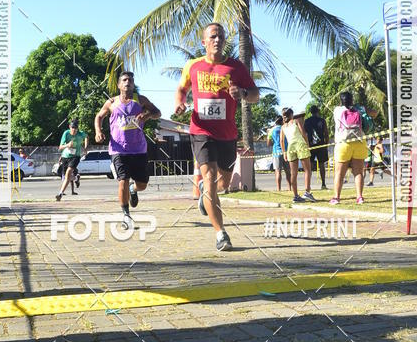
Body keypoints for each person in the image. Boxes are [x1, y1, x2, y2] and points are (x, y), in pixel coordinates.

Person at [175, 22, 259, 252]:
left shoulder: (236, 67)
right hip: (201, 130)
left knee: (222, 183)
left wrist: (242, 93)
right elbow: (181, 89)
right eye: (213, 36)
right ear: (204, 42)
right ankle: (220, 234)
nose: (218, 40)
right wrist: (180, 103)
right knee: (211, 177)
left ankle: (206, 191)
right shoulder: (193, 66)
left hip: (227, 134)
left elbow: (255, 95)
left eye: (221, 36)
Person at [95, 72, 161, 228]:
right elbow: (99, 116)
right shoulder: (111, 102)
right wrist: (98, 131)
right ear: (119, 85)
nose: (127, 82)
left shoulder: (141, 100)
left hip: (138, 149)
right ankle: (126, 216)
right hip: (118, 149)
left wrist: (147, 116)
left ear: (133, 84)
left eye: (130, 80)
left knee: (142, 184)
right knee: (122, 180)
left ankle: (133, 189)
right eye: (124, 80)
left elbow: (157, 113)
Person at [330, 90, 369, 205]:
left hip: (343, 144)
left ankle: (336, 197)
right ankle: (360, 197)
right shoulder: (360, 110)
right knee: (358, 172)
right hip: (359, 143)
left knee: (339, 173)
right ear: (352, 100)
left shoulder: (337, 110)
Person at [280, 108, 315, 203]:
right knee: (307, 170)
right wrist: (307, 144)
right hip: (300, 145)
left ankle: (296, 196)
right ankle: (307, 192)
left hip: (291, 148)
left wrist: (284, 152)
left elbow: (282, 141)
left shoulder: (283, 127)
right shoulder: (296, 121)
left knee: (293, 173)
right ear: (291, 114)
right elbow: (303, 133)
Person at [55, 119, 88, 201]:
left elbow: (86, 137)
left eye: (76, 128)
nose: (74, 130)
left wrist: (85, 148)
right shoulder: (66, 133)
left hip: (75, 156)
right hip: (65, 157)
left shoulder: (80, 134)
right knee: (66, 177)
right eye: (72, 128)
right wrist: (67, 145)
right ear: (69, 127)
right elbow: (60, 147)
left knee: (68, 173)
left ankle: (60, 194)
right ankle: (76, 178)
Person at [304, 105, 329, 190]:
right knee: (321, 164)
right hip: (321, 144)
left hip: (311, 145)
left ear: (311, 112)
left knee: (310, 165)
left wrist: (307, 144)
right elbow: (326, 133)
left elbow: (305, 134)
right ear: (318, 111)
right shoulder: (322, 120)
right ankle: (323, 184)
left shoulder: (307, 121)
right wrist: (326, 144)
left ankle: (308, 185)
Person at [267, 116, 290, 190]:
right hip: (286, 151)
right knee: (288, 171)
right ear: (282, 121)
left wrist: (274, 142)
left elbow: (268, 143)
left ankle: (278, 189)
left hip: (276, 152)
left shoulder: (272, 130)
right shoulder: (285, 128)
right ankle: (290, 188)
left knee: (278, 171)